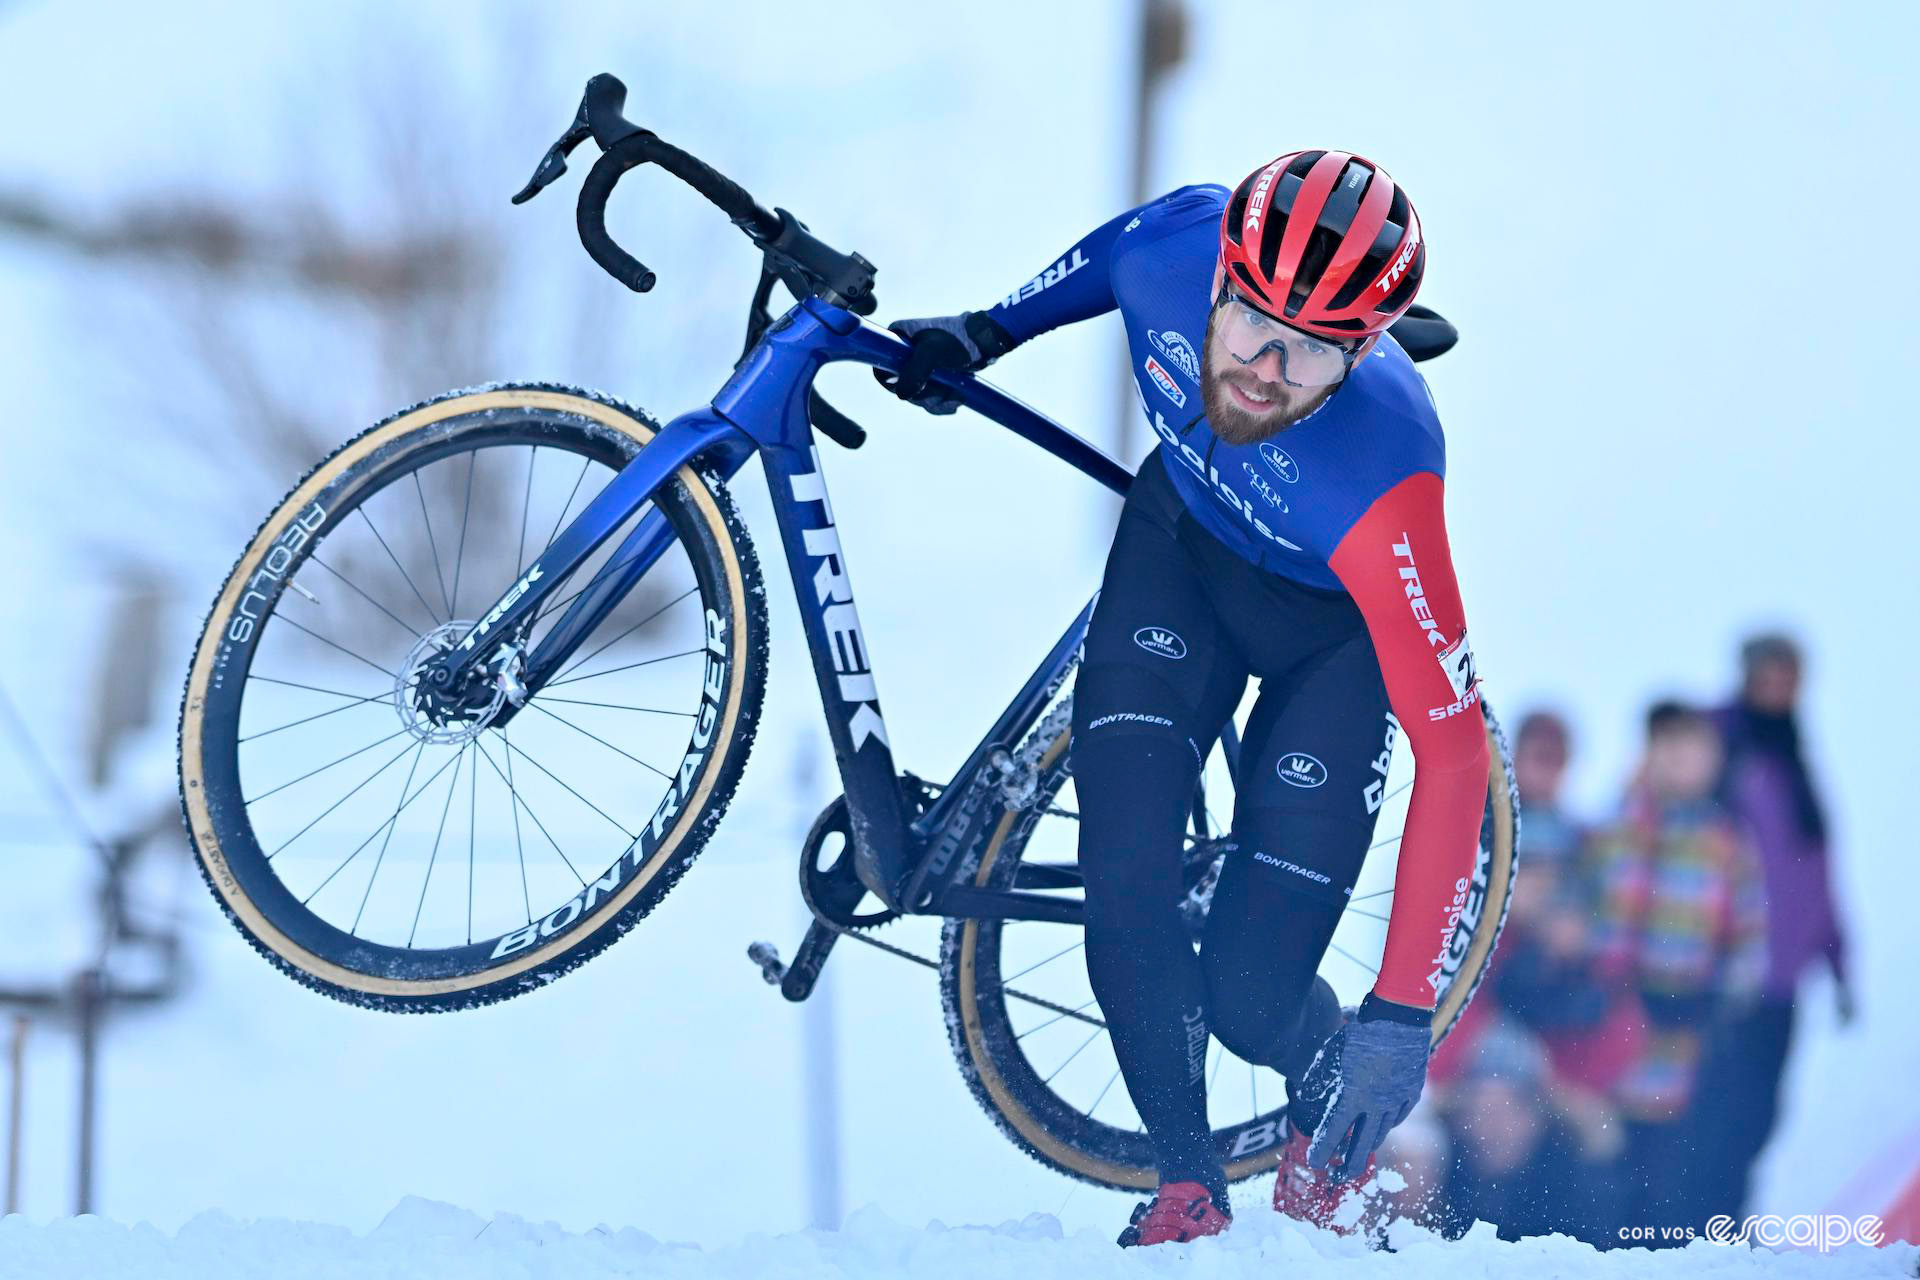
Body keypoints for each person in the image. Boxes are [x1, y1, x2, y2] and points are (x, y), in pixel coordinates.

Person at [879, 152, 1489, 1246]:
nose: (1264, 366)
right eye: (1250, 322)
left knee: (1255, 996)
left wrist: (1398, 1018)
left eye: (1308, 350)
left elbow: (1455, 758)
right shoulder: (1173, 248)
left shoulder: (1392, 472)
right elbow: (1103, 258)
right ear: (1215, 280)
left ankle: (1318, 1082)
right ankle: (1186, 1182)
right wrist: (983, 331)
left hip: (1329, 642)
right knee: (1127, 872)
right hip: (1181, 558)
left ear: (1363, 349)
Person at [1584, 700, 1767, 1242]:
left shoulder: (1727, 844)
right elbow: (1577, 917)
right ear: (1651, 753)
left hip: (1684, 1042)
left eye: (1695, 750)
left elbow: (1750, 940)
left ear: (1713, 760)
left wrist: (1717, 1000)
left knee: (1672, 1185)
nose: (1683, 761)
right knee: (1605, 1178)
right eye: (1671, 748)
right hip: (1607, 1039)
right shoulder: (1612, 831)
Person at [1691, 633, 1852, 1221]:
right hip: (1720, 969)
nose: (1781, 688)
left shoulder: (1794, 754)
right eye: (1771, 674)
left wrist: (1839, 963)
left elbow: (1814, 873)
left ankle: (1726, 1228)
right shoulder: (1716, 739)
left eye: (1791, 677)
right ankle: (1688, 1236)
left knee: (1761, 1113)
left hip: (1784, 975)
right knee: (1712, 1111)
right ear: (1747, 673)